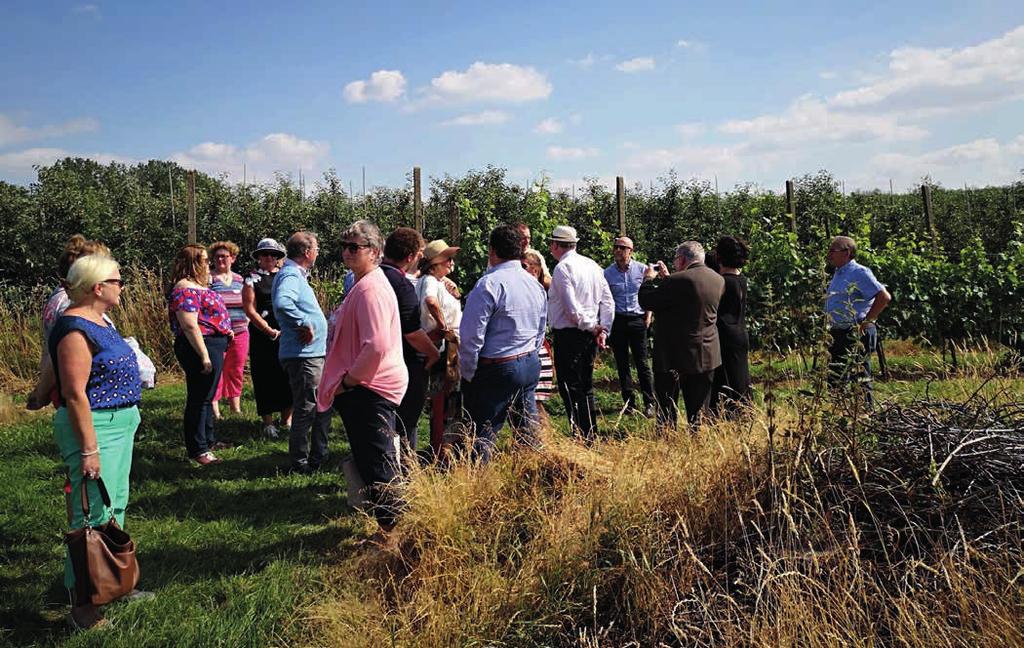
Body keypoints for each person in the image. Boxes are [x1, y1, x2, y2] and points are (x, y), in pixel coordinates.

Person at [50, 254, 143, 629]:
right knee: (87, 514)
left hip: (120, 421)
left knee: (114, 504)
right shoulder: (74, 328)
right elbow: (75, 393)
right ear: (97, 287)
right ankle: (83, 607)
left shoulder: (99, 321)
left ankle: (112, 583)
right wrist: (89, 448)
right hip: (96, 427)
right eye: (117, 280)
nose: (122, 286)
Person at [318, 220, 407, 541]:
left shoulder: (370, 289)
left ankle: (396, 538)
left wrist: (350, 381)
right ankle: (391, 530)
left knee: (378, 465)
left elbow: (377, 346)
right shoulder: (365, 283)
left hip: (369, 389)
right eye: (344, 245)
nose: (346, 252)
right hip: (368, 387)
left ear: (374, 252)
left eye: (354, 247)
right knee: (374, 461)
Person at [460, 225, 547, 462]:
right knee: (527, 431)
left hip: (499, 366)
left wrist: (468, 372)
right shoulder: (534, 284)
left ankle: (479, 487)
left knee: (482, 434)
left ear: (492, 250)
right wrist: (531, 355)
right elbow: (540, 329)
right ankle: (535, 477)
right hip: (529, 362)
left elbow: (471, 337)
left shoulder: (488, 284)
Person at [638, 241, 725, 429]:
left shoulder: (676, 281)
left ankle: (669, 441)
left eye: (676, 259)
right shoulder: (717, 278)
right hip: (707, 353)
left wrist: (648, 280)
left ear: (683, 259)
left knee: (667, 406)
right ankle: (698, 441)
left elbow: (647, 301)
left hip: (675, 355)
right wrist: (669, 278)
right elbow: (688, 301)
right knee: (700, 408)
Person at [28, 235, 111, 411]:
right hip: (83, 394)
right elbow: (59, 354)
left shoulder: (59, 297)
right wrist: (41, 392)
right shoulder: (70, 304)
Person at [272, 231, 332, 473]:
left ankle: (316, 456)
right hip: (304, 355)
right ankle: (300, 462)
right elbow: (282, 302)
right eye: (316, 249)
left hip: (308, 353)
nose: (317, 253)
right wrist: (303, 323)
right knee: (307, 407)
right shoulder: (290, 275)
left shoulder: (295, 274)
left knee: (315, 405)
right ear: (307, 252)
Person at [547, 225, 614, 440]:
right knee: (586, 385)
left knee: (570, 386)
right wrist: (604, 329)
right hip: (589, 335)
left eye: (552, 244)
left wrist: (595, 327)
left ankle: (581, 435)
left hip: (571, 335)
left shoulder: (562, 268)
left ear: (557, 245)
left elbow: (571, 309)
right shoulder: (592, 265)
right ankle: (590, 432)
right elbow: (608, 301)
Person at [169, 244, 233, 465]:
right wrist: (204, 355)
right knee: (199, 398)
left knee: (207, 396)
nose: (208, 264)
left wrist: (225, 330)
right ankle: (198, 448)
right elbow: (190, 325)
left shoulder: (198, 286)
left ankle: (208, 440)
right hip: (199, 346)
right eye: (205, 260)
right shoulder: (184, 288)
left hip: (213, 343)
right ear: (194, 263)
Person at [379, 227, 441, 451]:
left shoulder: (373, 277)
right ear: (410, 257)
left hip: (377, 361)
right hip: (404, 360)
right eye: (419, 253)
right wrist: (433, 353)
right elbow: (412, 332)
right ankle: (405, 467)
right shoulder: (401, 286)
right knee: (407, 420)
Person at [825, 235, 892, 407]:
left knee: (859, 378)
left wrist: (868, 321)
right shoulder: (839, 273)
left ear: (846, 253)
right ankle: (841, 417)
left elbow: (883, 296)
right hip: (838, 332)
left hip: (854, 331)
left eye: (833, 250)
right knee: (836, 377)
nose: (829, 254)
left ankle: (865, 416)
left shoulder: (859, 272)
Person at [242, 237, 293, 438]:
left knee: (287, 375)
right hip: (262, 336)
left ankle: (287, 419)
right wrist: (267, 330)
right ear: (259, 257)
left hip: (285, 333)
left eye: (273, 254)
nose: (269, 258)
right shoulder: (251, 278)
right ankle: (268, 422)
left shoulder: (284, 276)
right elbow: (250, 309)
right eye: (265, 254)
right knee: (264, 376)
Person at [417, 239, 463, 450]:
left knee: (447, 397)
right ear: (434, 262)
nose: (451, 264)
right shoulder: (429, 281)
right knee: (444, 397)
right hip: (444, 347)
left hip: (445, 345)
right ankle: (442, 447)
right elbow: (430, 301)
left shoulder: (435, 282)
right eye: (447, 259)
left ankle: (445, 444)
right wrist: (443, 326)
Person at [603, 236, 656, 416]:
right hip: (618, 321)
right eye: (616, 247)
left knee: (642, 363)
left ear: (631, 251)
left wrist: (648, 315)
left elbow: (649, 294)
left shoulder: (642, 270)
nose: (618, 250)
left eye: (622, 247)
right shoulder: (607, 273)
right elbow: (605, 299)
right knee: (622, 363)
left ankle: (650, 402)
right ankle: (629, 403)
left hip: (637, 320)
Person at [709, 236, 752, 415]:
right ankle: (744, 410)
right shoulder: (741, 279)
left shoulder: (722, 282)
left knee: (725, 376)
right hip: (740, 332)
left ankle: (727, 412)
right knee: (740, 374)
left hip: (724, 334)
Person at [209, 241, 249, 421]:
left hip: (240, 331)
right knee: (216, 370)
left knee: (236, 369)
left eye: (224, 256)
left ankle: (235, 407)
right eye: (217, 257)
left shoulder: (241, 280)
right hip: (216, 333)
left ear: (232, 258)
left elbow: (249, 303)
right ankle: (215, 410)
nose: (220, 260)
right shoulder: (209, 279)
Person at [522, 248, 555, 408]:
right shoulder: (533, 290)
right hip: (533, 352)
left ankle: (543, 433)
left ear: (535, 270)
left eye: (523, 267)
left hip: (534, 353)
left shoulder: (535, 291)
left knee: (535, 407)